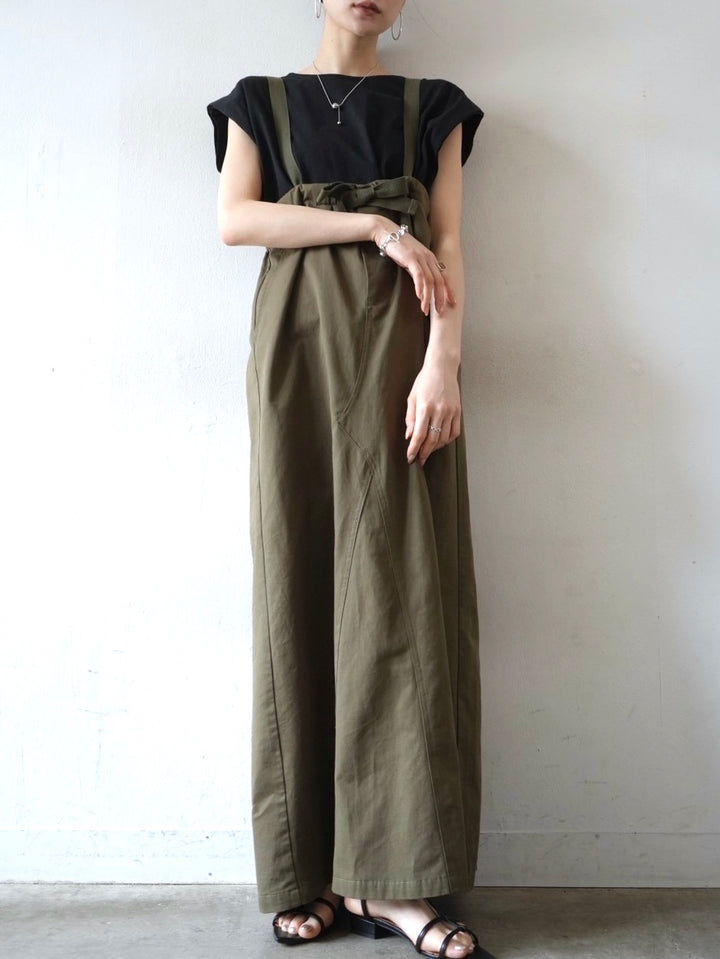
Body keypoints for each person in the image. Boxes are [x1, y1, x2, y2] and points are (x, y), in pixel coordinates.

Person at [207, 2, 491, 957]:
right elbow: (237, 220)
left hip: (404, 353)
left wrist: (444, 361)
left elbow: (448, 242)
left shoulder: (433, 106)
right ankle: (314, 870)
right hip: (297, 354)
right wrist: (375, 224)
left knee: (400, 594)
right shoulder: (259, 102)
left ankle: (394, 877)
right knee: (298, 582)